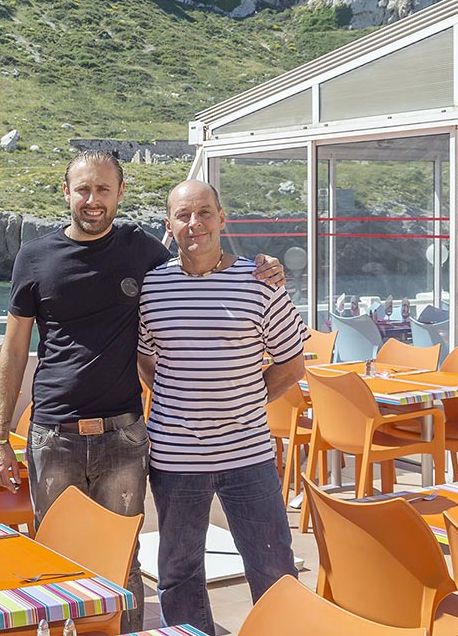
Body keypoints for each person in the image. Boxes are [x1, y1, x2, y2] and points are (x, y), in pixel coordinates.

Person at [0, 151, 283, 633]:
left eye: (104, 189)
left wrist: (261, 265)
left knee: (124, 564)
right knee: (57, 559)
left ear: (120, 193)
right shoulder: (34, 257)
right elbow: (14, 350)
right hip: (52, 436)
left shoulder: (141, 250)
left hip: (124, 437)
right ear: (66, 192)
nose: (93, 199)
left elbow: (197, 259)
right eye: (83, 189)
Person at [136, 179, 305, 635]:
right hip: (175, 459)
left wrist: (243, 399)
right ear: (169, 226)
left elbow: (292, 364)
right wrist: (184, 398)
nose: (196, 224)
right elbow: (146, 361)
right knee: (178, 575)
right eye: (184, 216)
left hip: (249, 456)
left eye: (205, 213)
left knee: (273, 571)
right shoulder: (152, 289)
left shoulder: (260, 282)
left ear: (222, 218)